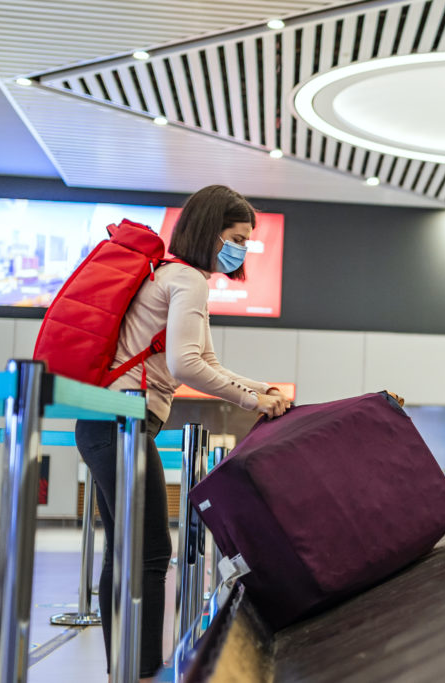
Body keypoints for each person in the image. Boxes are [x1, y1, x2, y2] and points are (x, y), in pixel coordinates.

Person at [74, 185, 290, 680]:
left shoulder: (173, 275)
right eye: (237, 237)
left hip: (110, 421)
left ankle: (126, 668)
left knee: (128, 550)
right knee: (150, 552)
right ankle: (142, 670)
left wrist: (263, 388)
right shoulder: (188, 281)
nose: (242, 248)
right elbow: (185, 364)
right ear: (210, 232)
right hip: (122, 421)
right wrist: (251, 401)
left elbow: (205, 360)